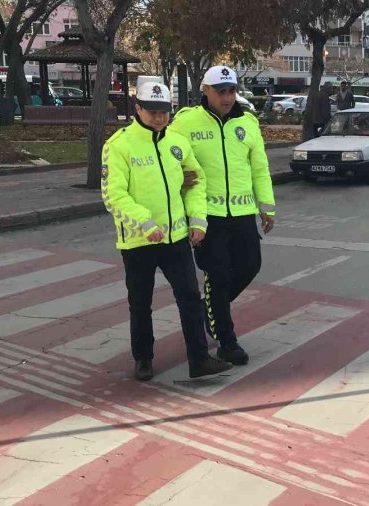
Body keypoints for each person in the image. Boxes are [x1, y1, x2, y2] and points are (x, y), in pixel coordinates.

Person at [101, 82, 233, 382]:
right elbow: (113, 195)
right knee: (140, 302)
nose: (160, 118)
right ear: (137, 109)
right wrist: (145, 223)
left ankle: (199, 359)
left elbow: (196, 181)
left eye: (165, 112)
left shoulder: (176, 142)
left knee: (189, 297)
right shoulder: (119, 145)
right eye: (153, 112)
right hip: (138, 240)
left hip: (176, 239)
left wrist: (198, 221)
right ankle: (143, 358)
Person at [169, 66, 276, 367]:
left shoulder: (248, 122)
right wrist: (179, 178)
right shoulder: (186, 122)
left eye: (231, 91)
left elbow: (259, 168)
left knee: (250, 266)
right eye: (221, 92)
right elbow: (168, 155)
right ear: (206, 90)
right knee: (218, 276)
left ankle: (210, 310)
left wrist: (266, 207)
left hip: (242, 213)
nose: (228, 98)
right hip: (208, 216)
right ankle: (227, 343)